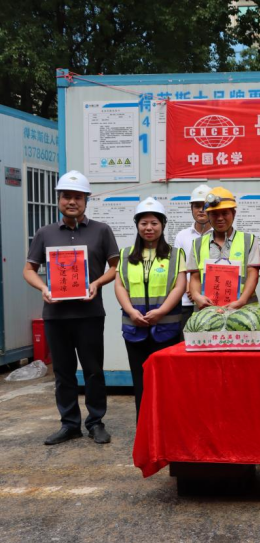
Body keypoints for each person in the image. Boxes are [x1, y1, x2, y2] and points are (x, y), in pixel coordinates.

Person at [22, 170, 119, 445]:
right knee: (63, 373)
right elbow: (28, 270)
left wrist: (96, 283)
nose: (72, 201)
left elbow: (115, 267)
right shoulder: (45, 233)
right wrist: (43, 288)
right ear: (59, 199)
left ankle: (96, 422)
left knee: (93, 371)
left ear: (87, 200)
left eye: (78, 197)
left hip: (90, 314)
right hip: (56, 316)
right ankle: (69, 424)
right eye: (66, 196)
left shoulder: (101, 230)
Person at [114, 198, 186, 420]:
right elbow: (120, 285)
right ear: (137, 225)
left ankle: (166, 428)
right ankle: (144, 429)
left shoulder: (175, 254)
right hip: (134, 329)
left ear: (162, 225)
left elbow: (179, 286)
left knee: (167, 382)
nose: (149, 228)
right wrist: (131, 311)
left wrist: (161, 311)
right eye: (144, 223)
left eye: (154, 223)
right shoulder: (125, 254)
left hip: (166, 330)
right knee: (140, 381)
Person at [187, 186, 260, 309]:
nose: (220, 218)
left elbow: (253, 274)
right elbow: (194, 277)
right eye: (214, 214)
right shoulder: (197, 244)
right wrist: (196, 296)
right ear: (208, 215)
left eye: (225, 213)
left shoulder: (249, 241)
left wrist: (241, 301)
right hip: (207, 311)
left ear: (234, 214)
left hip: (243, 311)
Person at [172, 184, 212, 337]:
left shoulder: (219, 235)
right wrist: (189, 288)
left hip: (211, 300)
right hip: (186, 301)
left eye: (205, 206)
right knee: (185, 343)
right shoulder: (182, 235)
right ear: (191, 208)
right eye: (197, 206)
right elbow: (177, 267)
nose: (201, 210)